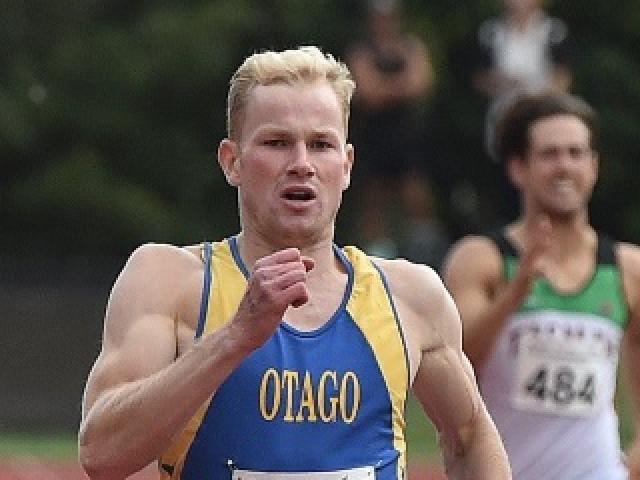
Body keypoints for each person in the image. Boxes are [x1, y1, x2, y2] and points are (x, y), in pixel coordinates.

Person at [77, 46, 510, 480]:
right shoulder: (169, 280)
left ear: (346, 166)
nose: (301, 164)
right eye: (277, 143)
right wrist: (233, 339)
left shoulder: (411, 296)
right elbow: (102, 454)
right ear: (232, 162)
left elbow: (470, 438)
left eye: (321, 144)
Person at [443, 92, 640, 479]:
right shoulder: (483, 259)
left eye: (576, 153)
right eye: (550, 154)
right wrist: (515, 293)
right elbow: (455, 362)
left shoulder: (627, 268)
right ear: (519, 168)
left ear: (594, 166)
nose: (564, 166)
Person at [346, 0, 434, 258]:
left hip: (407, 134)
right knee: (374, 196)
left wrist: (384, 87)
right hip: (375, 135)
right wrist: (401, 86)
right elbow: (366, 92)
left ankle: (423, 247)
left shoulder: (411, 48)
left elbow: (422, 84)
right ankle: (378, 252)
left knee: (416, 190)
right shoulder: (362, 51)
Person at [472, 0, 573, 161]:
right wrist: (502, 82)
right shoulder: (490, 33)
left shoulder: (554, 32)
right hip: (504, 115)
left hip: (543, 114)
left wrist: (541, 96)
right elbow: (479, 79)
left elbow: (563, 78)